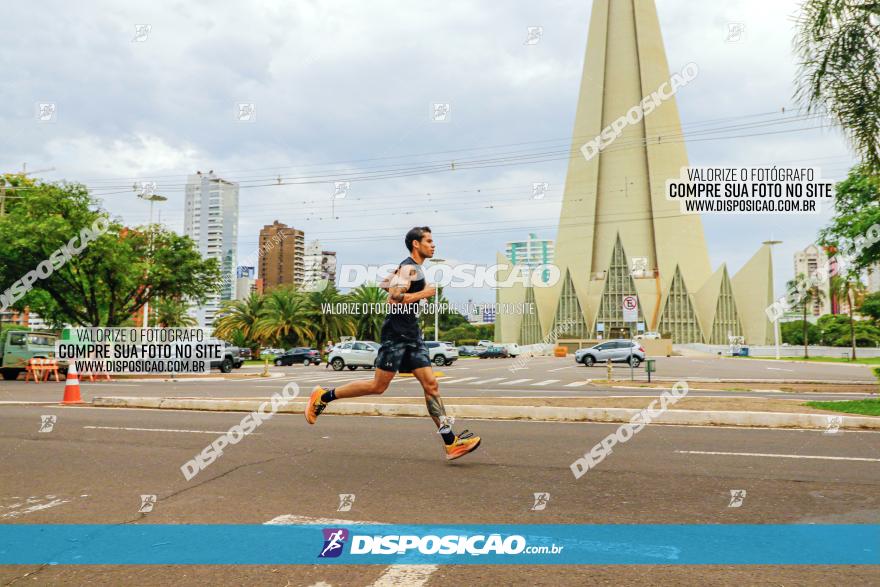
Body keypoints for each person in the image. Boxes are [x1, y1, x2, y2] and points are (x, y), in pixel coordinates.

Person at [305, 226, 481, 461]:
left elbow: (385, 286)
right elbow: (394, 299)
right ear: (416, 244)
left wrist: (395, 280)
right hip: (396, 336)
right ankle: (323, 396)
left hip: (413, 336)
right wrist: (424, 294)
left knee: (431, 385)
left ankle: (451, 443)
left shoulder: (410, 268)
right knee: (378, 386)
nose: (433, 244)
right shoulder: (410, 268)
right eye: (428, 241)